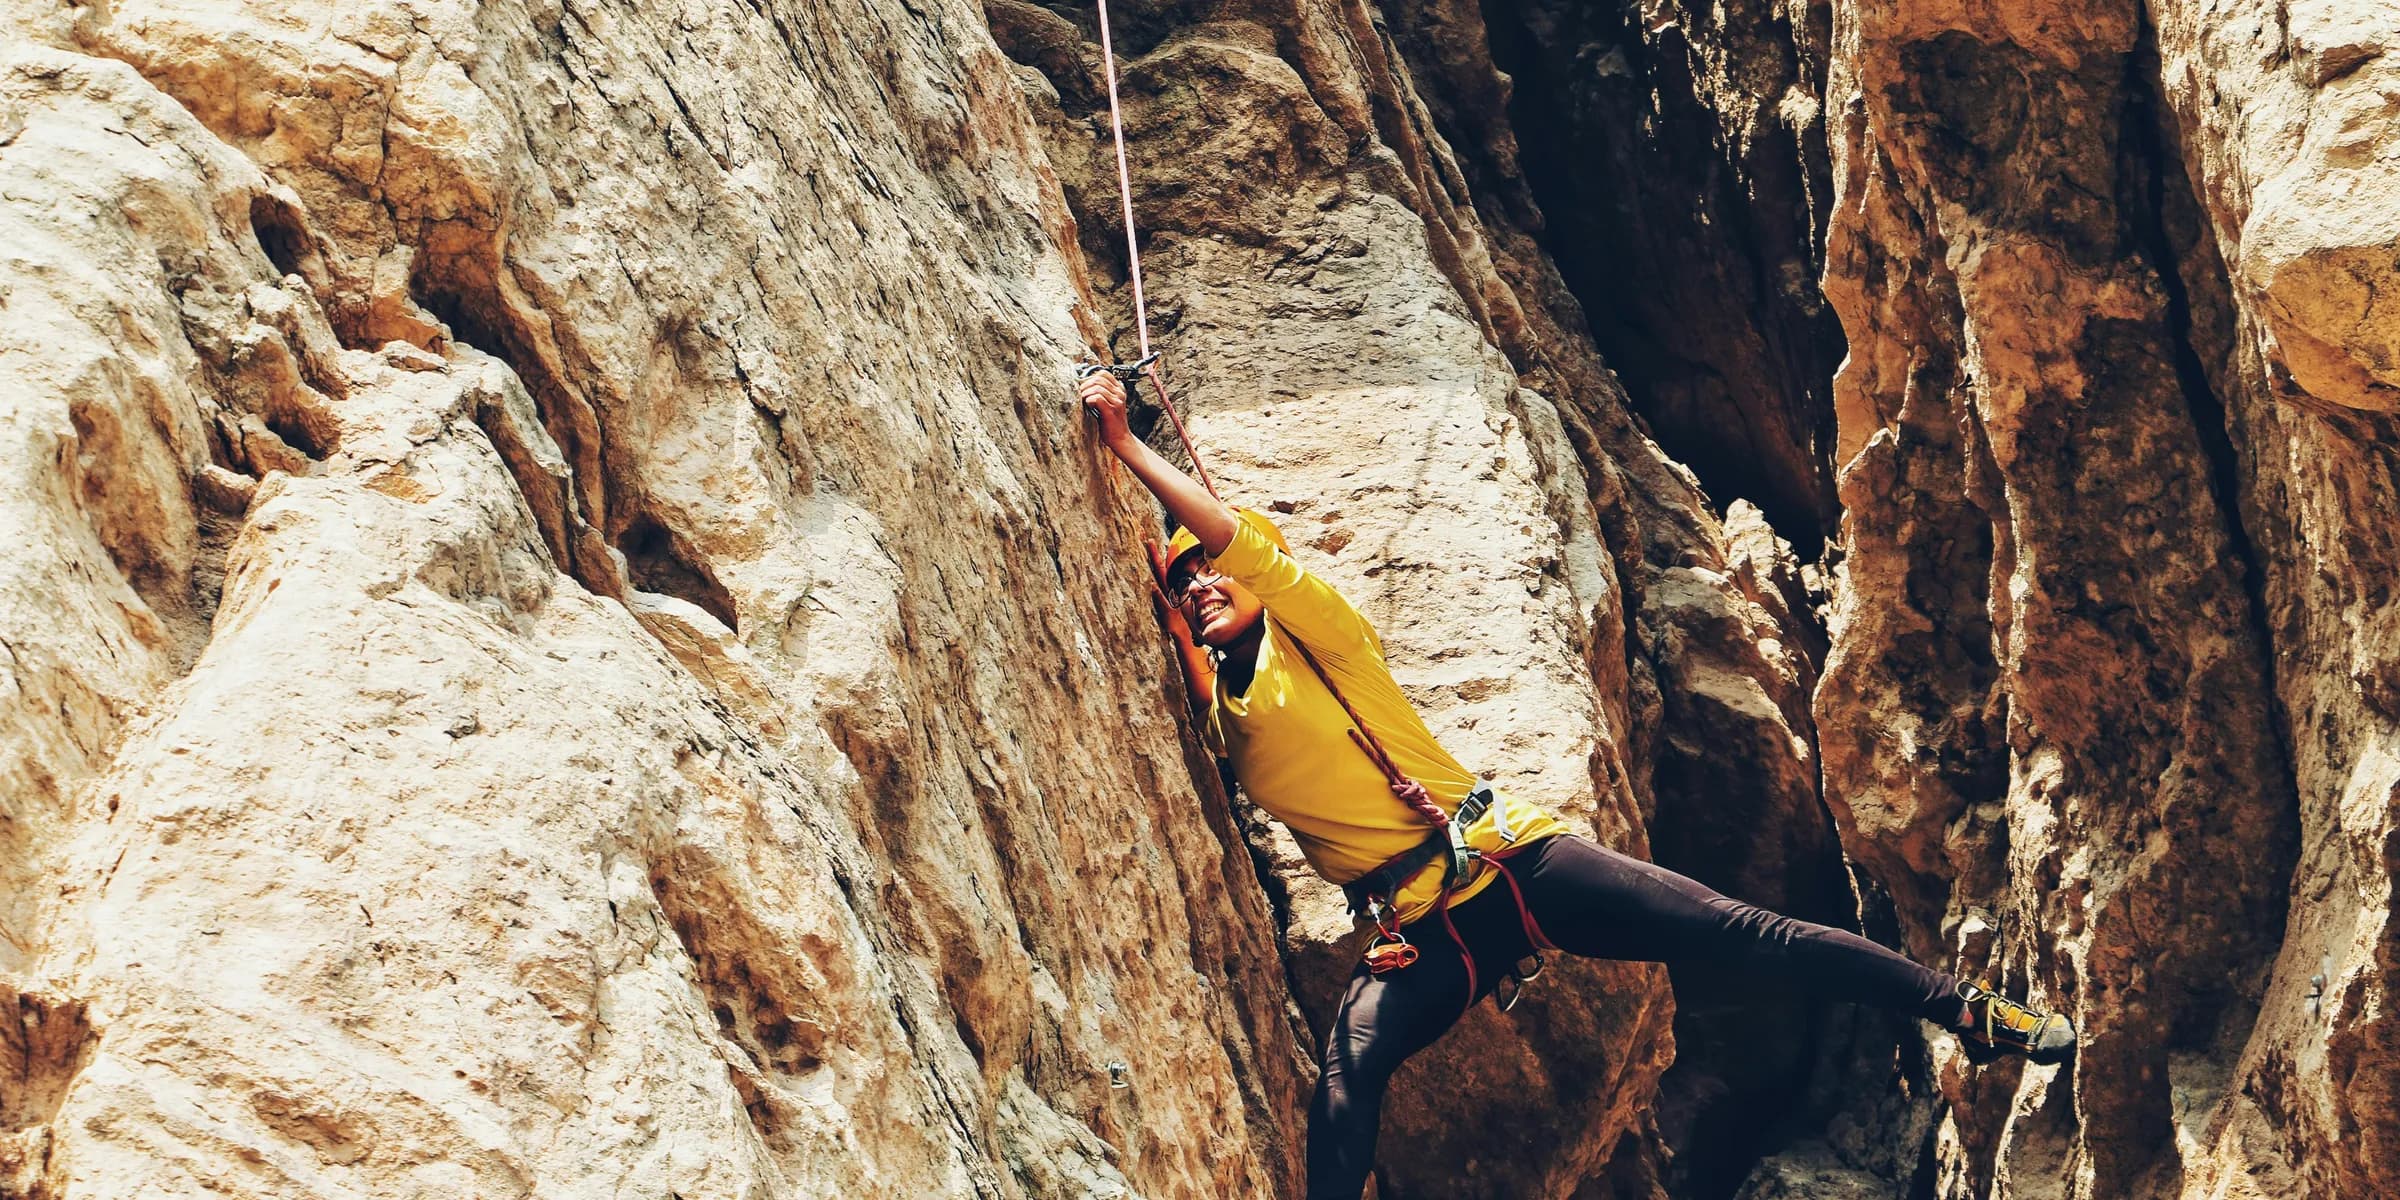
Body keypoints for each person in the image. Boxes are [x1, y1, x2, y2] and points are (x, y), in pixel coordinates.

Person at [1074, 371, 2073, 1198]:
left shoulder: (1321, 633)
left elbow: (1235, 542)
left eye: (1209, 570)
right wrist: (1170, 594)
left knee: (1744, 934)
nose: (1200, 584)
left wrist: (1128, 444)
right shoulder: (1225, 707)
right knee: (1349, 1080)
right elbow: (1197, 623)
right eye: (1183, 584)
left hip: (1513, 862)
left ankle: (1976, 1013)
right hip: (1424, 932)